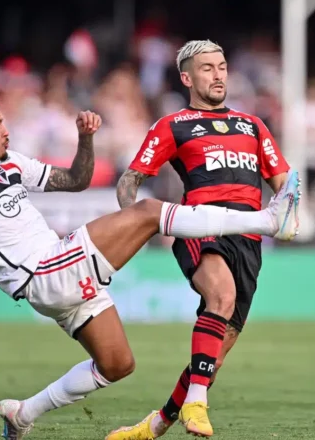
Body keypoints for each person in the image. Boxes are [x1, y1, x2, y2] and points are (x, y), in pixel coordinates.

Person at [0, 96, 301, 440]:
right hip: (44, 272)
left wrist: (85, 139)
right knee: (148, 211)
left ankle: (22, 413)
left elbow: (75, 180)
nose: (6, 130)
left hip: (59, 277)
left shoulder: (12, 165)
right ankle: (264, 220)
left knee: (117, 365)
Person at [109, 40, 291, 439]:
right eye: (207, 68)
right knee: (221, 297)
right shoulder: (173, 125)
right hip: (201, 224)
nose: (219, 74)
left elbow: (283, 182)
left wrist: (292, 208)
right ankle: (197, 403)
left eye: (222, 66)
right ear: (187, 77)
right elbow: (131, 178)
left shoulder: (253, 125)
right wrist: (132, 220)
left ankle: (154, 427)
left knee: (215, 354)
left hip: (249, 236)